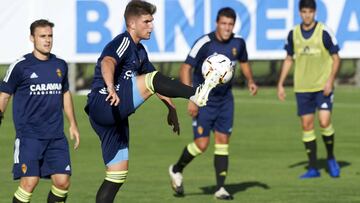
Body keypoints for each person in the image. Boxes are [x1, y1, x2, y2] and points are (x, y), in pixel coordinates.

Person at [84, 1, 222, 202]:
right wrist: (111, 87)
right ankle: (197, 92)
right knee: (151, 79)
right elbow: (107, 62)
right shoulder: (123, 42)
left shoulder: (140, 52)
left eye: (152, 21)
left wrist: (171, 108)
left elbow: (157, 82)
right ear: (132, 24)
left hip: (115, 117)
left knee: (117, 175)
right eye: (147, 21)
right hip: (104, 102)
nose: (152, 26)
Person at [168, 7, 258, 200]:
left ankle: (220, 189)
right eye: (224, 23)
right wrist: (191, 97)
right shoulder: (204, 43)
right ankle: (176, 169)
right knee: (201, 144)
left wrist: (250, 80)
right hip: (203, 99)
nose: (227, 28)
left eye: (230, 24)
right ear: (217, 23)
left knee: (223, 142)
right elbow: (185, 68)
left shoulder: (238, 43)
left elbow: (243, 62)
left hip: (226, 101)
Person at [0, 19, 80, 203]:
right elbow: (4, 95)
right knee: (29, 182)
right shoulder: (20, 66)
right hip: (29, 136)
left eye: (50, 36)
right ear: (32, 38)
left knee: (62, 182)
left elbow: (65, 93)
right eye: (42, 36)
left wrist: (73, 124)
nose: (47, 40)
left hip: (56, 136)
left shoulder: (60, 65)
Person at [277, 0, 341, 179]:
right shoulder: (293, 33)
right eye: (304, 11)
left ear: (315, 12)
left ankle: (330, 157)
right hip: (302, 88)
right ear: (299, 13)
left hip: (323, 86)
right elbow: (289, 58)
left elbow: (336, 58)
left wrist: (330, 81)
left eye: (310, 11)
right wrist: (281, 83)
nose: (307, 15)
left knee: (324, 122)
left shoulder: (324, 32)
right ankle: (313, 168)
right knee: (306, 126)